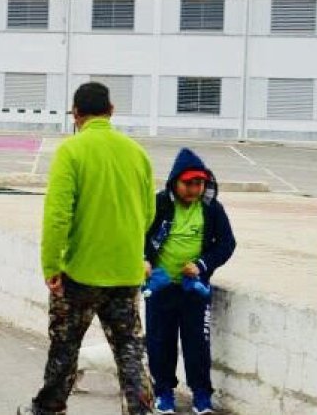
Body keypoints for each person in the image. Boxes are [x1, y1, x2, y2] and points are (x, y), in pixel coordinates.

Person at [17, 82, 155, 415]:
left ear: (75, 114)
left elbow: (57, 216)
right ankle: (139, 409)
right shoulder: (137, 153)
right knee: (129, 349)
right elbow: (149, 211)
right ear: (111, 111)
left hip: (79, 271)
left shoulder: (72, 151)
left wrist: (51, 266)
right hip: (125, 272)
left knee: (65, 345)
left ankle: (49, 408)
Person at [142, 148, 235, 415]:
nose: (194, 189)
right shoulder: (159, 205)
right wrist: (145, 260)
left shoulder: (211, 210)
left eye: (199, 183)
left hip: (193, 290)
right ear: (174, 182)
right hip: (160, 288)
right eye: (188, 183)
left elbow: (227, 244)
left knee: (197, 344)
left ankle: (202, 396)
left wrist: (202, 265)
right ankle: (164, 393)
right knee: (160, 343)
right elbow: (138, 235)